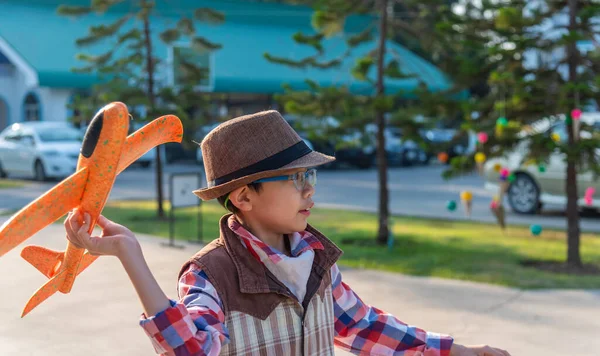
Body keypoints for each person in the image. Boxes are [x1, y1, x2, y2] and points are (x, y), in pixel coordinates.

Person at [65, 110, 510, 356]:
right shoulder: (210, 274)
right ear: (243, 197)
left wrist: (457, 352)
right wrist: (131, 256)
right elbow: (195, 350)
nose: (309, 189)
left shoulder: (315, 259)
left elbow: (364, 325)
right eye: (295, 179)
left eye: (310, 177)